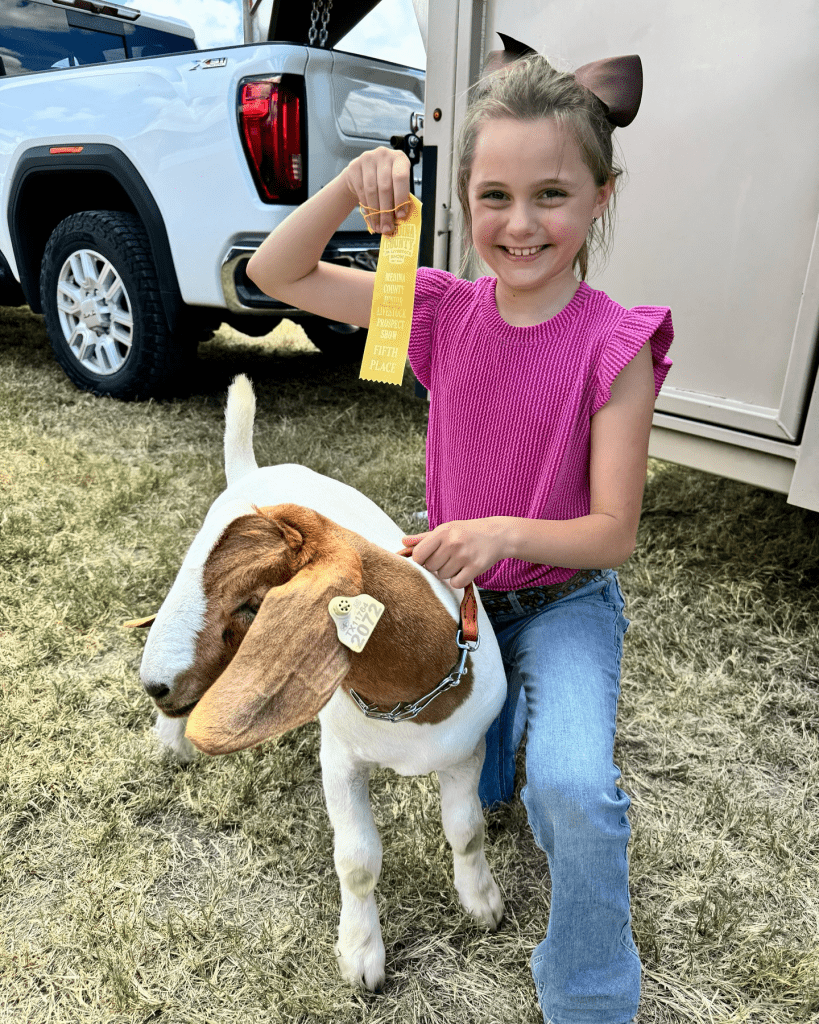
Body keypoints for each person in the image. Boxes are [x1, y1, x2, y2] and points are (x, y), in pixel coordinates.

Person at [246, 45, 673, 1024]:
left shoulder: (618, 347)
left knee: (569, 790)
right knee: (460, 761)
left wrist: (497, 532)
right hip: (458, 596)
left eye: (553, 195)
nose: (520, 225)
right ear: (464, 197)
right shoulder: (435, 308)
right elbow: (278, 272)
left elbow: (611, 534)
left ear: (601, 198)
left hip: (561, 600)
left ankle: (592, 991)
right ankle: (501, 729)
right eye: (494, 196)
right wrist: (350, 185)